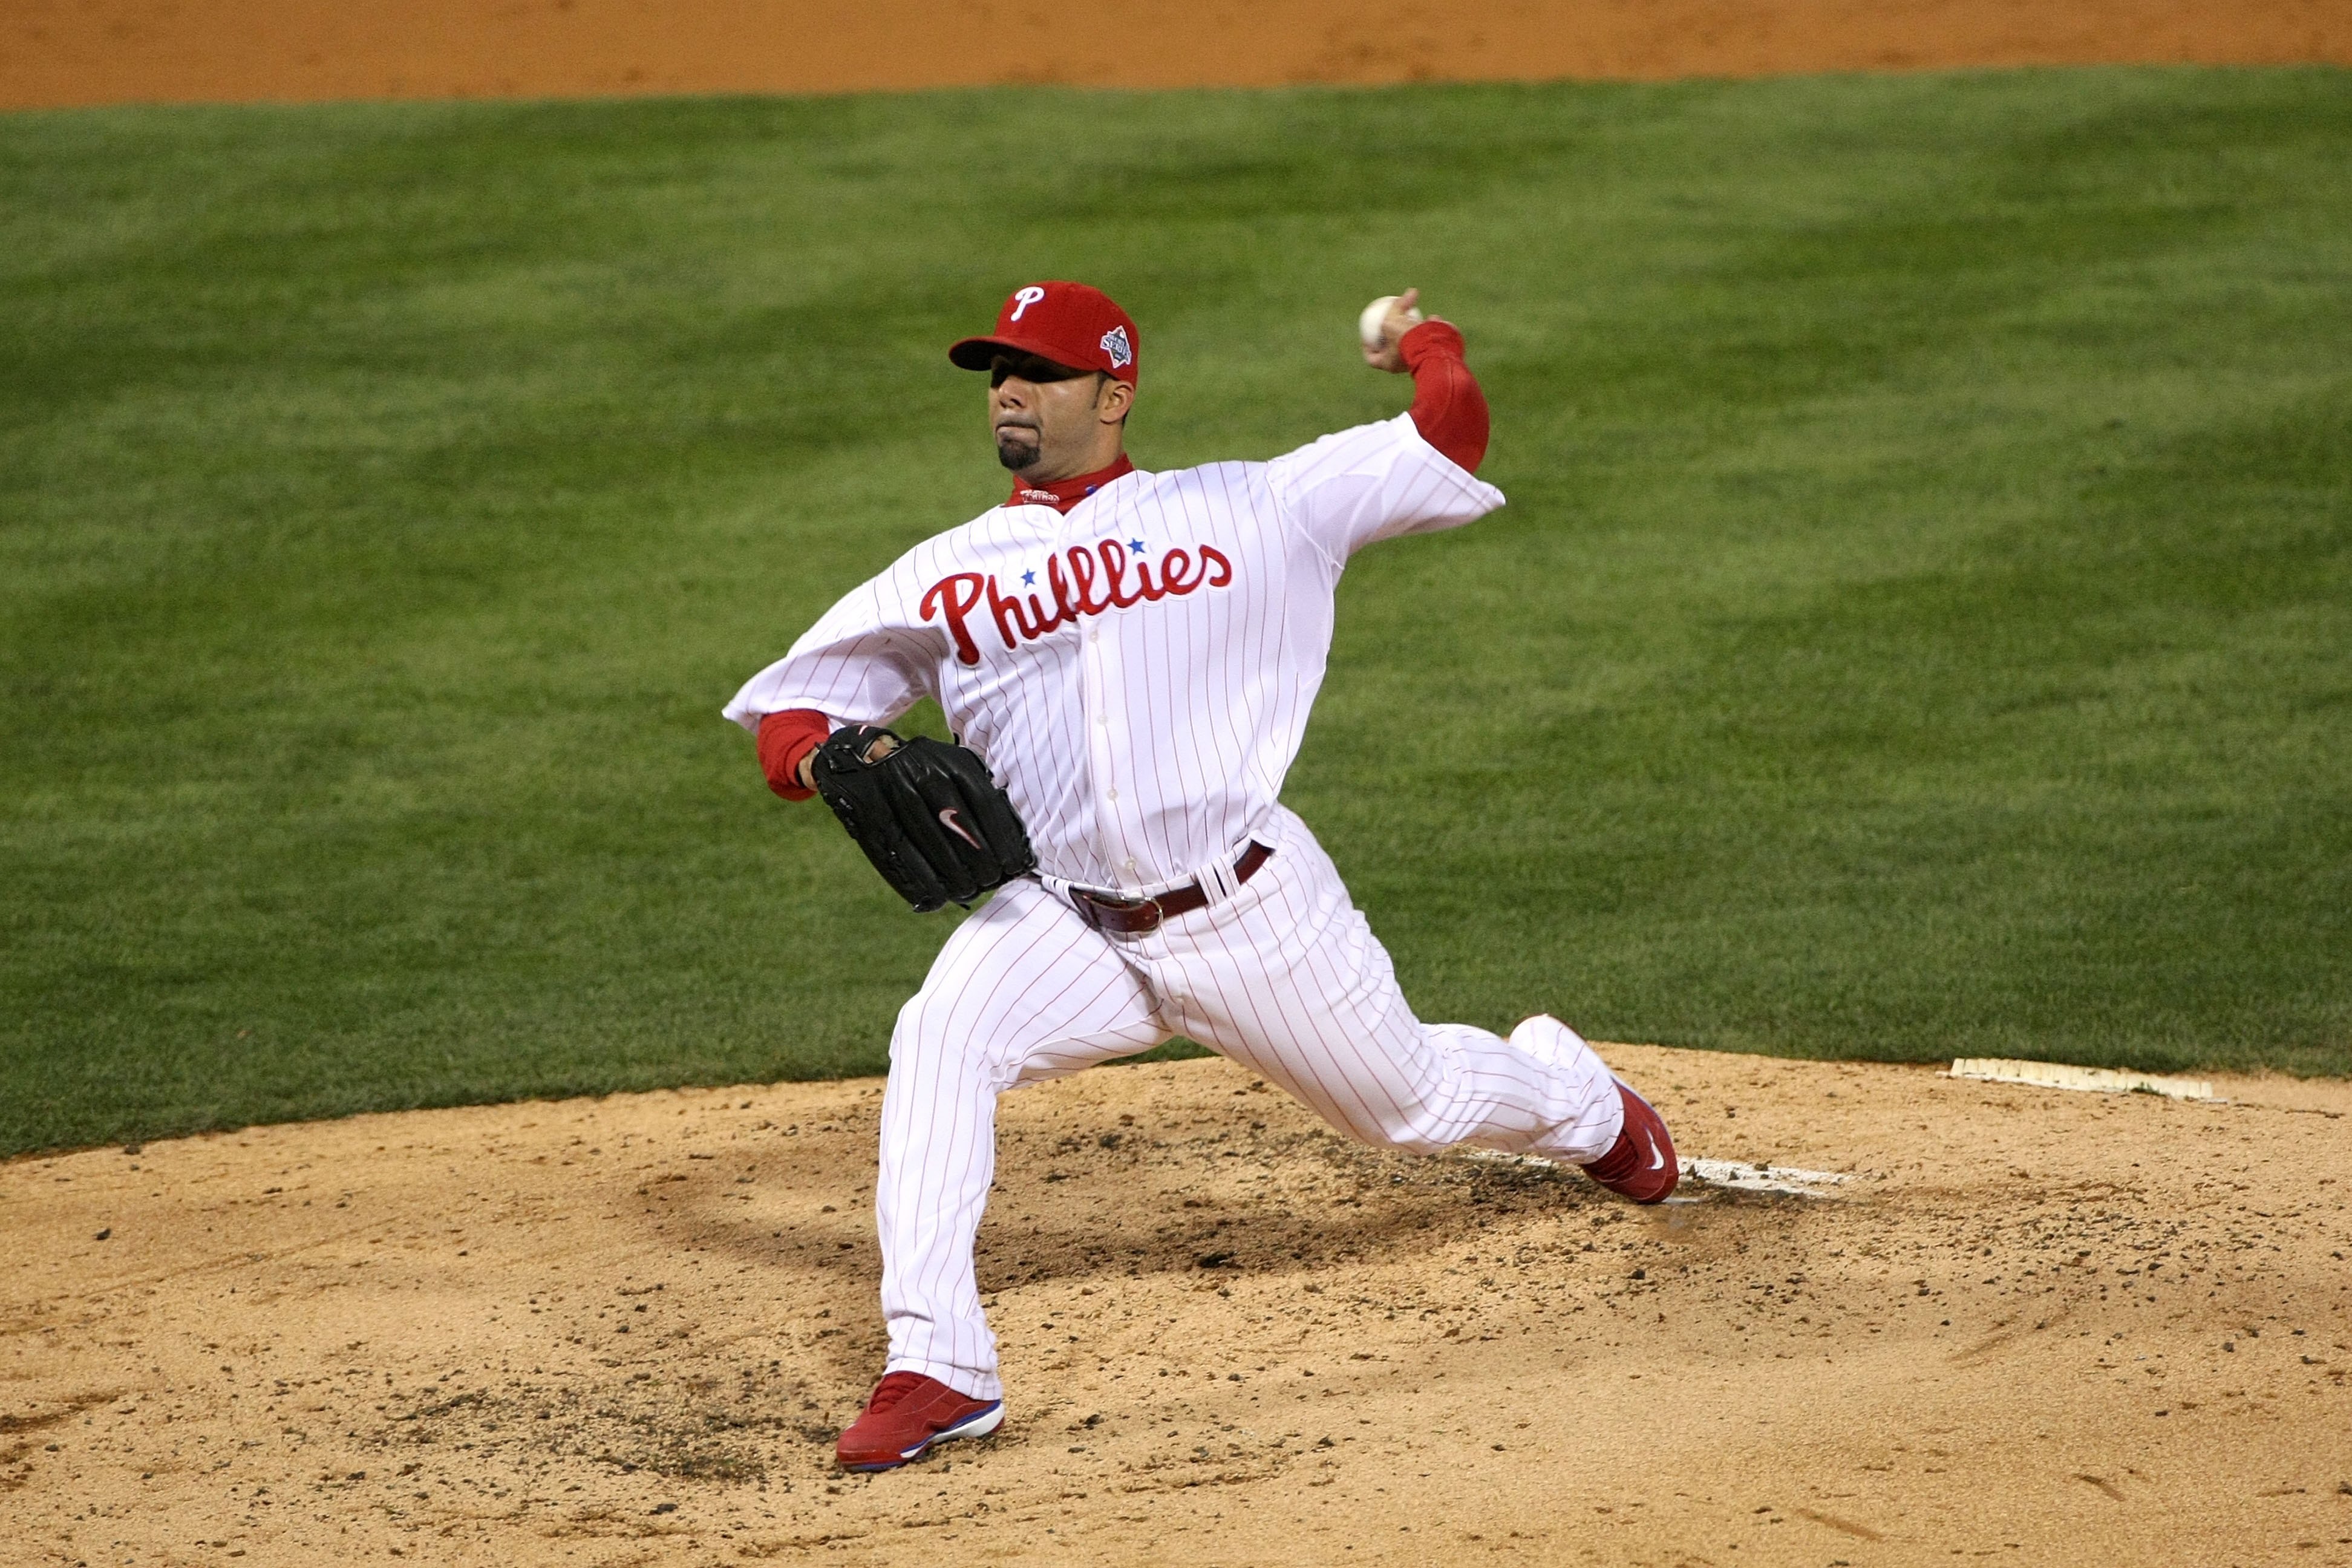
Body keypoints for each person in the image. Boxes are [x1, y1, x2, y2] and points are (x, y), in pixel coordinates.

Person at [723, 281, 1679, 1474]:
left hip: (1248, 913)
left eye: (1042, 371)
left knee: (1407, 1107)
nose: (1010, 391)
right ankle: (939, 1366)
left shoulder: (1252, 506)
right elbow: (792, 711)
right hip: (1066, 917)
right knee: (943, 1038)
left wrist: (1427, 346)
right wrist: (826, 754)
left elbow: (1449, 436)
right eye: (995, 373)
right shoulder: (946, 572)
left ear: (1116, 392)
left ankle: (1581, 1104)